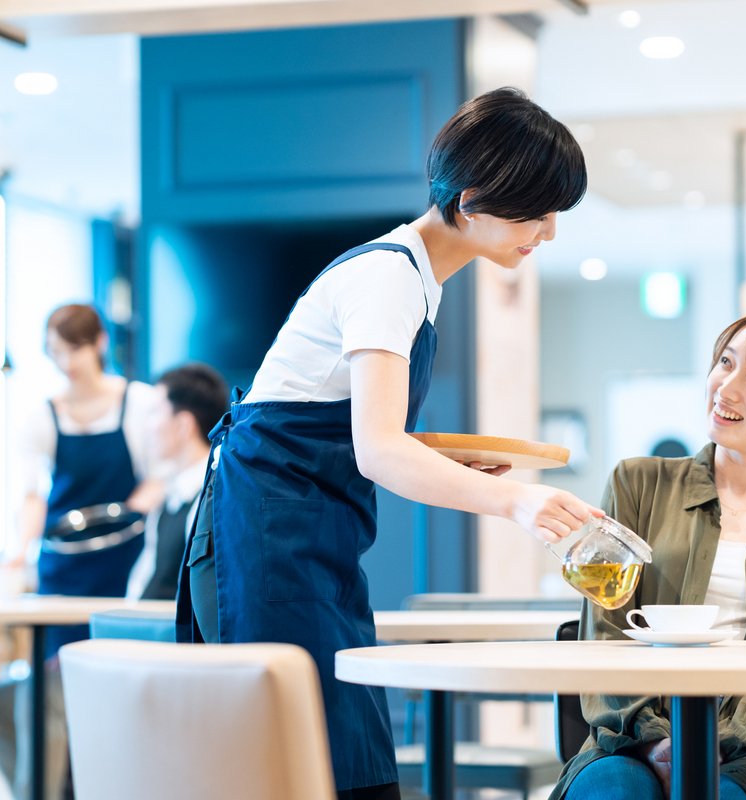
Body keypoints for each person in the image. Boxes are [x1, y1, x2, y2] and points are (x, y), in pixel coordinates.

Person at [177, 87, 602, 800]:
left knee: (345, 762)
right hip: (269, 544)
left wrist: (446, 461)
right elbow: (376, 450)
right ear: (471, 203)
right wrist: (515, 504)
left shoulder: (413, 278)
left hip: (306, 540)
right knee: (308, 767)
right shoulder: (389, 280)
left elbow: (344, 426)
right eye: (537, 212)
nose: (549, 232)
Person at [553, 306, 746, 800]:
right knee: (615, 792)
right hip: (630, 744)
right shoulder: (636, 483)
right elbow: (605, 637)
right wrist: (661, 745)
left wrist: (707, 747)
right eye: (726, 361)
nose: (726, 386)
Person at [13, 303, 159, 658]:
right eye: (57, 352)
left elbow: (161, 477)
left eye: (75, 349)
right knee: (60, 673)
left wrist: (126, 513)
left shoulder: (140, 402)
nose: (67, 363)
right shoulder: (41, 416)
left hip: (124, 562)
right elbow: (33, 497)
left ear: (100, 343)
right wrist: (18, 553)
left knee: (122, 666)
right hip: (63, 568)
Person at [125, 363, 228, 602]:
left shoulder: (213, 496)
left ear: (183, 425)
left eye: (155, 412)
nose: (147, 427)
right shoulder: (169, 496)